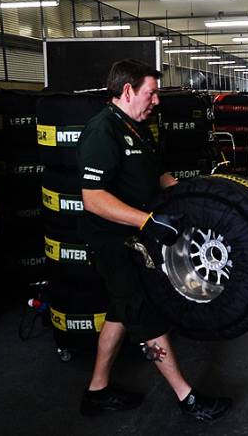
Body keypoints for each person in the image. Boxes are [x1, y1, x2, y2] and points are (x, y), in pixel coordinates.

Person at [76, 59, 232, 421]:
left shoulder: (138, 127)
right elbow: (92, 198)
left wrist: (199, 196)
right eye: (152, 92)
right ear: (127, 91)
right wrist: (147, 221)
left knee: (119, 312)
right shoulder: (103, 131)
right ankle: (187, 397)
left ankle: (97, 391)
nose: (157, 101)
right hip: (114, 243)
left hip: (136, 237)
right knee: (146, 316)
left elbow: (157, 175)